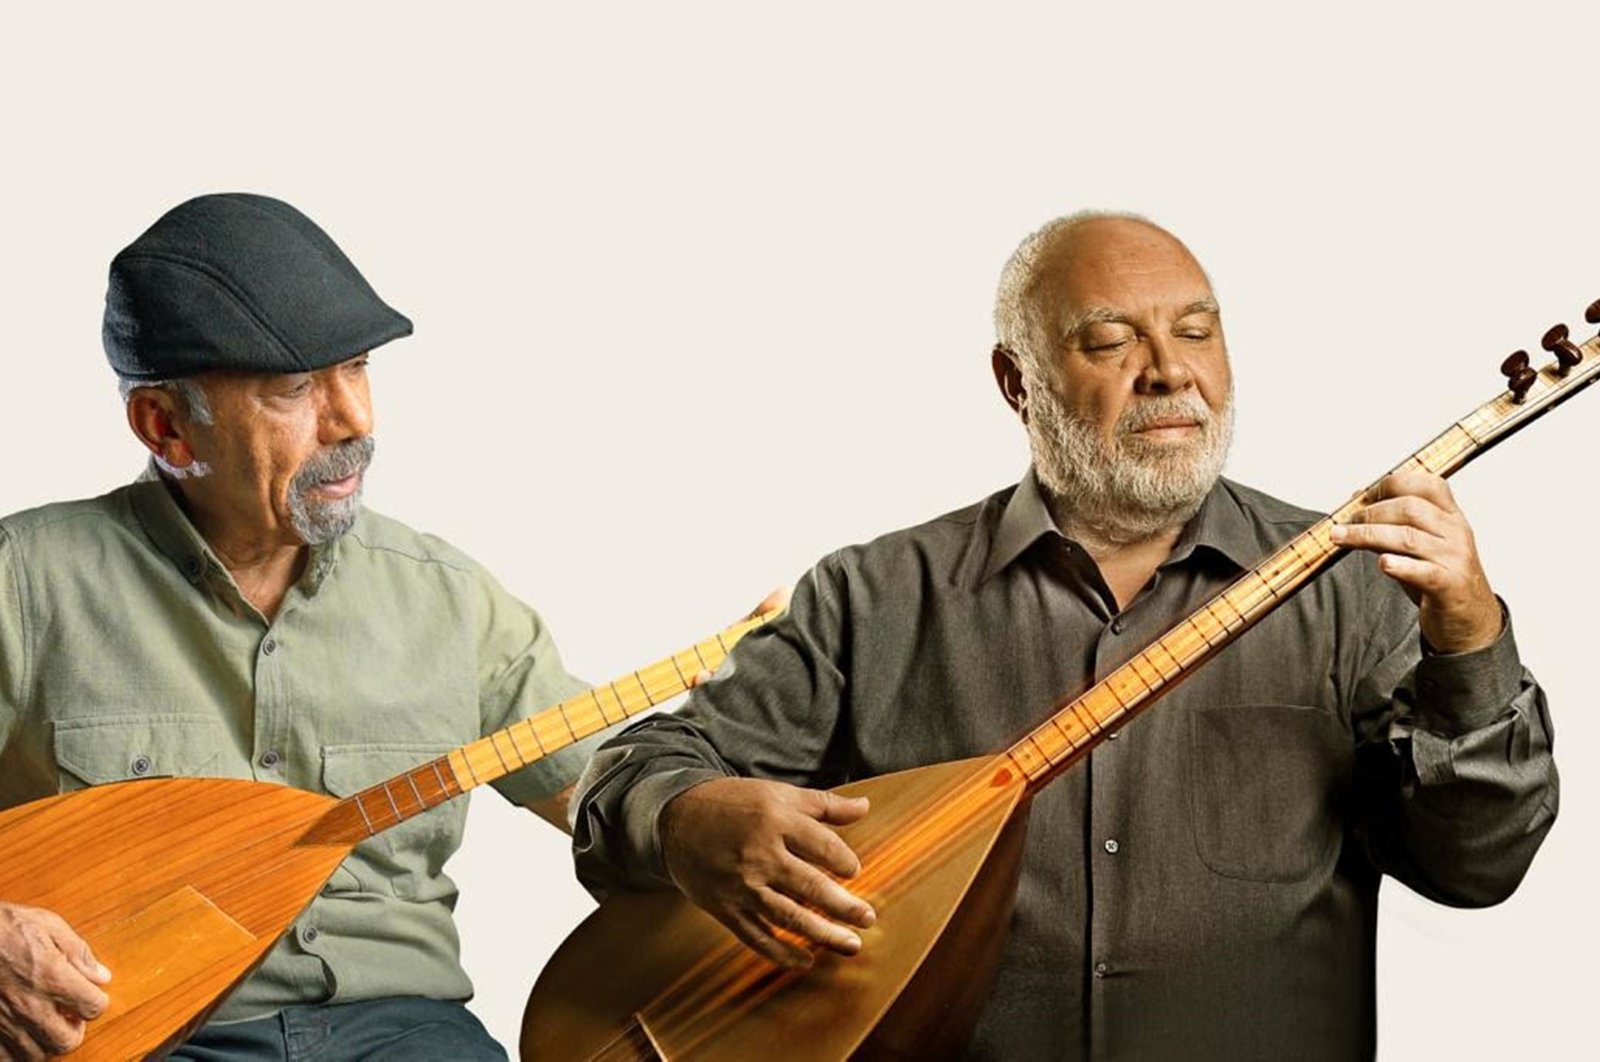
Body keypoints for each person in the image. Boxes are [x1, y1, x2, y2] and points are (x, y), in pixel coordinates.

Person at [569, 212, 1560, 1060]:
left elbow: (1476, 869)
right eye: (1108, 342)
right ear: (1017, 380)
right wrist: (686, 818)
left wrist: (1468, 638)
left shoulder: (1351, 586)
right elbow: (628, 778)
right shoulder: (870, 597)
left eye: (1196, 332)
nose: (1169, 372)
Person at [0, 193, 619, 1060]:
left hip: (406, 1033)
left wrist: (716, 811)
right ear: (166, 426)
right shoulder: (25, 581)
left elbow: (619, 795)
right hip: (143, 1039)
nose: (355, 420)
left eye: (356, 369)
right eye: (295, 389)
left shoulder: (446, 598)